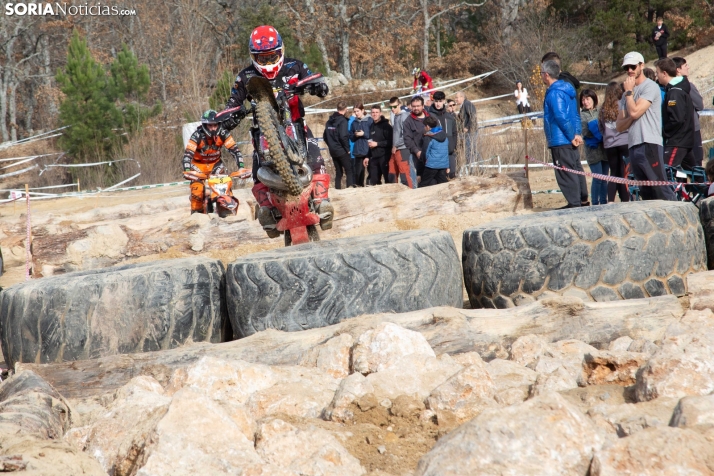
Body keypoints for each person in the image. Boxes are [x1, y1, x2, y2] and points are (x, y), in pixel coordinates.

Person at [222, 25, 332, 236]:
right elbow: (232, 103)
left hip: (296, 122)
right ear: (253, 56)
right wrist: (230, 116)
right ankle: (266, 208)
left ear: (281, 51)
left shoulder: (294, 66)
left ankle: (321, 200)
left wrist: (317, 86)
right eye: (262, 59)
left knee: (315, 153)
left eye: (272, 57)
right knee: (257, 166)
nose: (267, 62)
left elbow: (314, 80)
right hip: (263, 131)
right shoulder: (245, 76)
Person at [616, 51, 675, 201]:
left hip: (649, 143)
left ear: (641, 66)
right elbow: (619, 126)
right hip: (633, 144)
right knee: (646, 192)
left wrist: (629, 93)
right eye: (626, 67)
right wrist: (630, 110)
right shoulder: (625, 95)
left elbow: (634, 112)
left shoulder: (650, 87)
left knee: (660, 187)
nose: (629, 70)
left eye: (633, 66)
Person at [182, 109, 249, 214]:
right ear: (204, 125)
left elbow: (235, 151)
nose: (213, 128)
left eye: (215, 125)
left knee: (224, 187)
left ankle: (228, 209)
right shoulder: (197, 135)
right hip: (198, 166)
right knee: (197, 191)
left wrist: (241, 167)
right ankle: (196, 216)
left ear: (219, 124)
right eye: (210, 125)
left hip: (215, 165)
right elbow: (187, 155)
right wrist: (186, 170)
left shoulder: (223, 134)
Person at [541, 59, 587, 208]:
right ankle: (580, 200)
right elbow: (575, 114)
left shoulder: (554, 93)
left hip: (561, 140)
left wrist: (571, 135)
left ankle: (574, 204)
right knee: (574, 169)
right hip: (570, 138)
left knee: (565, 173)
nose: (541, 76)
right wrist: (577, 133)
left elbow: (561, 116)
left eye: (542, 74)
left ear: (546, 75)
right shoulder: (568, 90)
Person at [656, 58, 696, 171]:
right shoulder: (674, 89)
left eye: (657, 72)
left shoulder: (675, 92)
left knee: (666, 172)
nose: (656, 76)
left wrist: (664, 131)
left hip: (677, 141)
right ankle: (706, 188)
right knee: (695, 175)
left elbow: (677, 119)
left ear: (664, 73)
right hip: (683, 140)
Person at [599, 81, 630, 202]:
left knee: (614, 173)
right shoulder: (623, 104)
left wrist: (607, 136)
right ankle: (625, 199)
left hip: (610, 144)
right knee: (624, 173)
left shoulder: (603, 109)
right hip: (624, 142)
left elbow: (601, 127)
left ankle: (610, 200)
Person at [672, 56, 704, 166]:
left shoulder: (668, 87)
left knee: (681, 166)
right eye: (685, 65)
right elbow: (700, 105)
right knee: (696, 162)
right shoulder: (688, 86)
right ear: (678, 69)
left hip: (676, 133)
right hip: (692, 130)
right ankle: (700, 183)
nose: (688, 67)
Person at [580, 89, 607, 205]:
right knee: (597, 178)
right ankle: (595, 203)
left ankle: (604, 202)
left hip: (605, 149)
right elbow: (586, 132)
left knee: (605, 178)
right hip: (592, 151)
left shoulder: (601, 111)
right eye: (583, 99)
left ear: (593, 99)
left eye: (587, 99)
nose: (586, 102)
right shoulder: (581, 115)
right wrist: (598, 130)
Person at [323, 102, 353, 188]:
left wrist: (331, 145)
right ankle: (350, 189)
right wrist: (347, 149)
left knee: (339, 171)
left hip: (333, 150)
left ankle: (338, 190)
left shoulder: (329, 121)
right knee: (349, 170)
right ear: (346, 109)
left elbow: (325, 136)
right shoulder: (343, 121)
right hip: (341, 150)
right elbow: (343, 136)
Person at [427, 91, 457, 179]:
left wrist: (453, 145)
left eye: (440, 101)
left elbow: (454, 132)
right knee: (439, 179)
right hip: (437, 155)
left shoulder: (449, 117)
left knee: (451, 176)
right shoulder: (430, 116)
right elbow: (428, 134)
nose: (438, 104)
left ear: (444, 101)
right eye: (436, 101)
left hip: (449, 152)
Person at [388, 97, 414, 187]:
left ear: (400, 105)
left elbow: (406, 135)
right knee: (391, 174)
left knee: (404, 175)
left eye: (394, 106)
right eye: (390, 107)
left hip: (402, 149)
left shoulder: (404, 116)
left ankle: (410, 194)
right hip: (395, 150)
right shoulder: (395, 116)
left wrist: (396, 145)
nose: (392, 109)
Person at [403, 96, 429, 185]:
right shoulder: (408, 121)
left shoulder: (430, 117)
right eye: (414, 106)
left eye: (418, 106)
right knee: (418, 182)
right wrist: (416, 151)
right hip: (417, 156)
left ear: (423, 106)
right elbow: (407, 139)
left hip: (432, 155)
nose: (416, 108)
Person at [365, 105, 393, 185]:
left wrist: (377, 144)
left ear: (380, 113)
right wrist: (367, 156)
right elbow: (371, 143)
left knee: (388, 180)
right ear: (371, 114)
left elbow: (390, 142)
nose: (375, 114)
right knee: (374, 182)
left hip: (384, 157)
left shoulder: (386, 126)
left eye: (377, 112)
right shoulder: (371, 126)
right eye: (373, 112)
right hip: (374, 158)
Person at [419, 116, 449, 187]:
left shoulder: (428, 137)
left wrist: (424, 162)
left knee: (424, 184)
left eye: (424, 126)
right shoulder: (444, 136)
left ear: (427, 126)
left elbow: (425, 152)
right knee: (443, 183)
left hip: (431, 165)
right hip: (443, 164)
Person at [350, 104, 372, 186]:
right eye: (355, 111)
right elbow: (351, 136)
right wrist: (355, 135)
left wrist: (364, 134)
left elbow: (373, 134)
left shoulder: (369, 120)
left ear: (362, 110)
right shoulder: (354, 122)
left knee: (371, 172)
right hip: (358, 150)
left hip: (368, 150)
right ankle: (359, 186)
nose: (356, 113)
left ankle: (370, 185)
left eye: (358, 111)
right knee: (358, 173)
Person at [455, 91, 478, 162]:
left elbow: (473, 116)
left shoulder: (467, 104)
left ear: (462, 97)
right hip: (469, 131)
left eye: (456, 97)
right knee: (472, 150)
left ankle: (473, 168)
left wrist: (467, 127)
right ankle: (479, 167)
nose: (455, 99)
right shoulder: (463, 106)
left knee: (469, 150)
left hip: (471, 131)